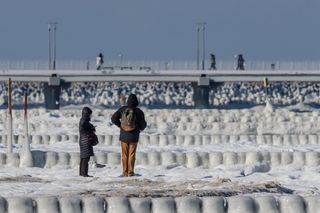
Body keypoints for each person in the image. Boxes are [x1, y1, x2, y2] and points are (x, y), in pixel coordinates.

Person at [111, 94, 147, 177]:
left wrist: (120, 125)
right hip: (134, 136)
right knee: (132, 155)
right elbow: (143, 125)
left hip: (124, 135)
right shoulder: (139, 111)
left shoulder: (122, 109)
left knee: (124, 155)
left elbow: (113, 118)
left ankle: (124, 172)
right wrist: (138, 128)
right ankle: (130, 173)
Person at [79, 107, 96, 177]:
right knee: (86, 158)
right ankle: (84, 174)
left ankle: (82, 173)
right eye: (89, 114)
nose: (90, 116)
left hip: (83, 141)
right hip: (85, 141)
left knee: (84, 158)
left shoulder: (83, 120)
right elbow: (83, 129)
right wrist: (90, 129)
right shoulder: (84, 121)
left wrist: (90, 127)